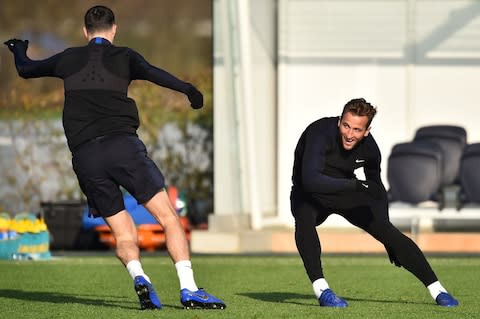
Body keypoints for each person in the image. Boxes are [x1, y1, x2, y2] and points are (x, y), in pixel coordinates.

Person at [4, 5, 225, 311]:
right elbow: (155, 74)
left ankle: (140, 276)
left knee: (122, 231)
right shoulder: (125, 56)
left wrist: (18, 49)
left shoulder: (69, 58)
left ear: (85, 31)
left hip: (85, 157)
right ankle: (189, 289)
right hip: (123, 148)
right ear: (114, 29)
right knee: (168, 218)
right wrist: (189, 90)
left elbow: (26, 69)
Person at [290, 98, 459, 308]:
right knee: (304, 219)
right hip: (309, 193)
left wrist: (385, 235)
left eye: (357, 130)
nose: (349, 134)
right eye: (346, 126)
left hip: (342, 192)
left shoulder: (370, 149)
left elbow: (376, 190)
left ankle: (438, 291)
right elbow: (310, 179)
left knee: (388, 232)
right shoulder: (319, 132)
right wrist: (354, 187)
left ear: (367, 131)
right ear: (339, 121)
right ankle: (322, 290)